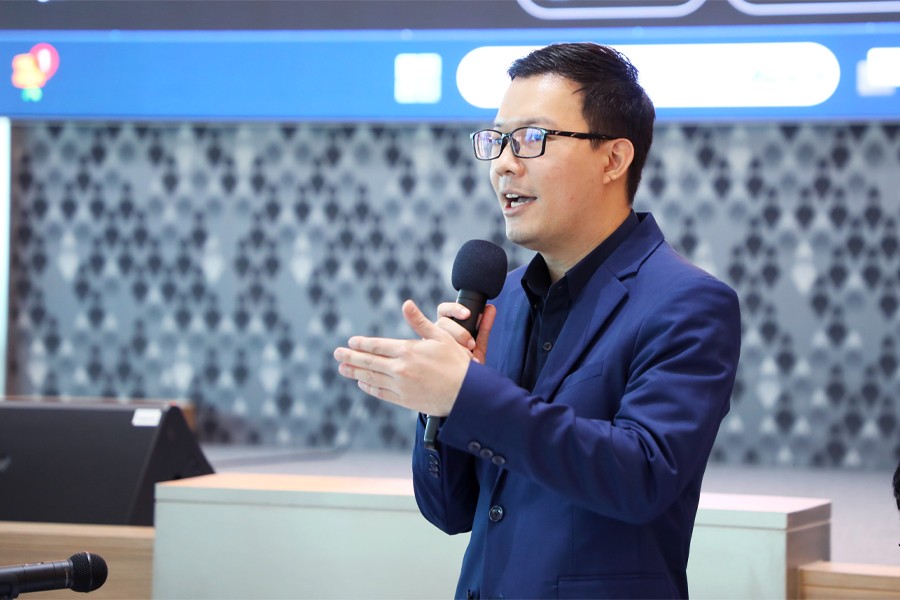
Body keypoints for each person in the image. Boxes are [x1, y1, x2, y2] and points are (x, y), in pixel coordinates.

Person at [334, 42, 741, 599]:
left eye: (531, 138)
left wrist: (466, 394)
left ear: (613, 159)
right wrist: (440, 406)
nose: (503, 163)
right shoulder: (502, 300)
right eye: (497, 140)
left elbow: (643, 475)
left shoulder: (688, 303)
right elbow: (450, 511)